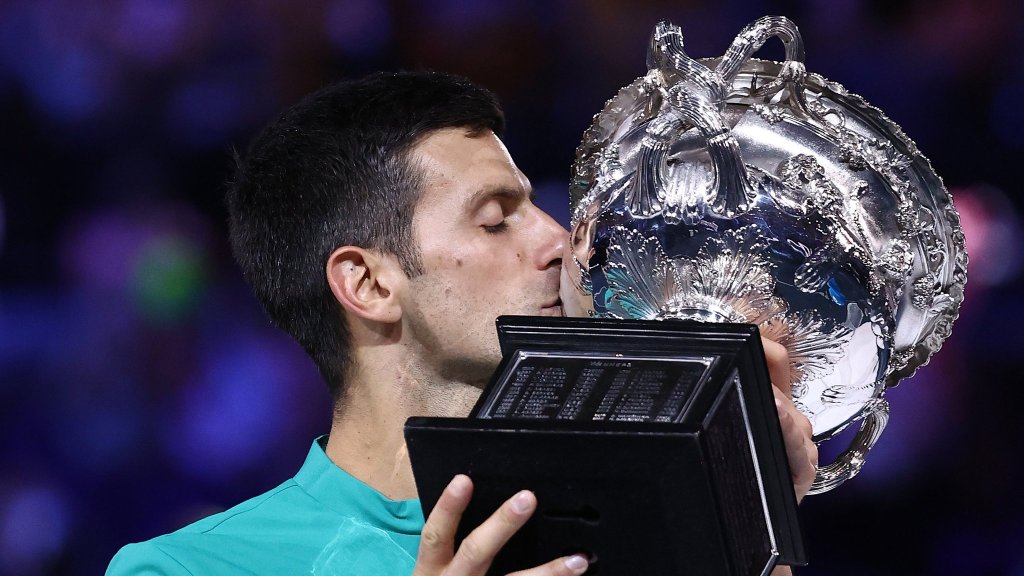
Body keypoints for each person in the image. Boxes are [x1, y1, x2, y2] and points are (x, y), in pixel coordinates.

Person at [107, 70, 817, 576]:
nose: (558, 241)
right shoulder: (186, 568)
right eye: (495, 219)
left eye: (537, 207)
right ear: (368, 283)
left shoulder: (650, 520)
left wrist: (744, 515)